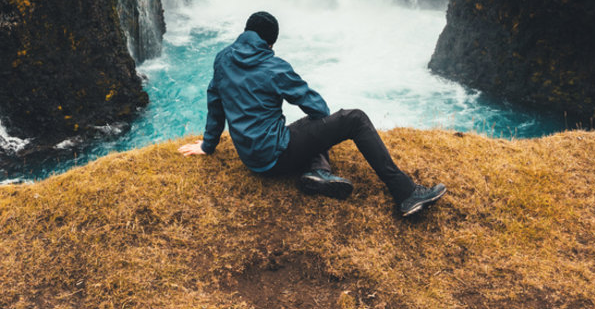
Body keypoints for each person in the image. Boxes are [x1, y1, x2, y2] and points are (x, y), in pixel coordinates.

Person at [178, 11, 446, 218]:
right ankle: (407, 193)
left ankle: (318, 173)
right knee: (355, 118)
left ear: (245, 31)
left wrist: (207, 145)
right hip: (275, 154)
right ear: (270, 43)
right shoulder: (273, 66)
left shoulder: (222, 59)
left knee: (305, 129)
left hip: (252, 160)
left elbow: (215, 103)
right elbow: (318, 110)